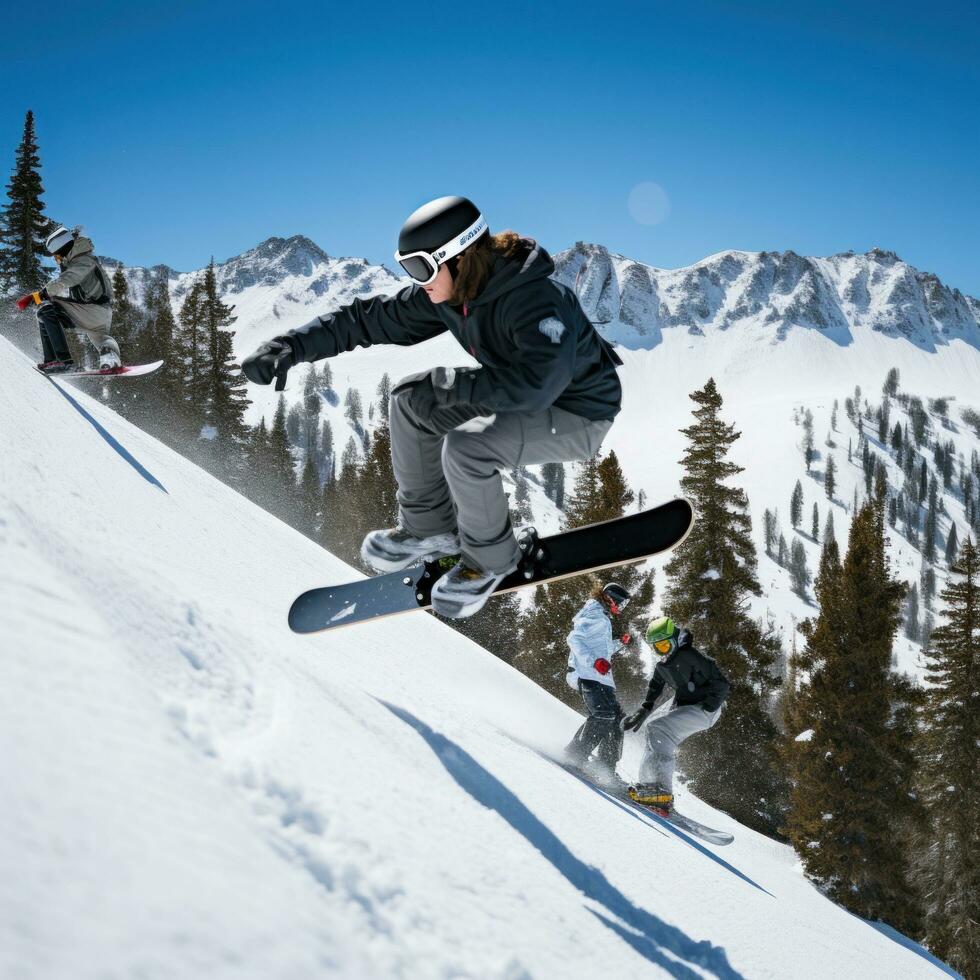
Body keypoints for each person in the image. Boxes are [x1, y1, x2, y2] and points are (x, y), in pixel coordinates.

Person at [241, 195, 623, 618]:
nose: (416, 280)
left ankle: (492, 562)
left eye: (421, 267)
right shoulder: (450, 294)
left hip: (580, 412)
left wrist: (451, 386)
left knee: (467, 447)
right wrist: (290, 347)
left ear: (460, 256)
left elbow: (537, 385)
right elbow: (366, 319)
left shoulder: (535, 299)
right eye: (407, 267)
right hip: (521, 396)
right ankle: (431, 530)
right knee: (411, 400)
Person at [621, 616, 730, 815]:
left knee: (660, 729)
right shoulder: (663, 664)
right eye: (657, 647)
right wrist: (644, 710)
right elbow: (656, 685)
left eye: (665, 645)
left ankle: (662, 791)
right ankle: (648, 787)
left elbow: (722, 682)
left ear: (674, 638)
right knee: (652, 727)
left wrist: (708, 705)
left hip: (704, 708)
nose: (662, 650)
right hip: (685, 703)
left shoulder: (689, 654)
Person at [15, 226, 120, 373]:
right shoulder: (83, 258)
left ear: (64, 249)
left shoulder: (83, 260)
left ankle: (61, 361)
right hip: (97, 313)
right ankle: (111, 360)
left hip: (94, 310)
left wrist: (39, 295)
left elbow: (67, 279)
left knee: (46, 308)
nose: (57, 260)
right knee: (102, 339)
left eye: (57, 256)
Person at [564, 583, 634, 786]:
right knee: (603, 715)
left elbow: (602, 650)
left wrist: (620, 643)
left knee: (617, 719)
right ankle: (574, 755)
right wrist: (594, 661)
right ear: (612, 598)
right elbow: (574, 639)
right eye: (622, 603)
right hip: (585, 674)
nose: (621, 607)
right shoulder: (594, 612)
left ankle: (606, 765)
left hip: (599, 677)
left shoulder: (602, 617)